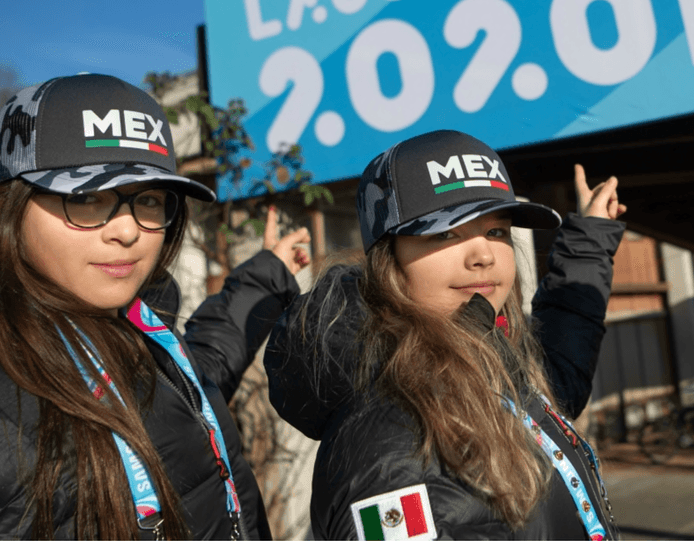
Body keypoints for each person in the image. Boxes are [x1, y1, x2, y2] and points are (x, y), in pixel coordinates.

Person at [0, 73, 311, 539]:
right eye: (85, 198)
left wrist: (267, 273)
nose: (128, 231)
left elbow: (188, 388)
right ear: (1, 210)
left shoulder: (138, 324)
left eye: (148, 199)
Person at [265, 129, 626, 540]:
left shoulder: (486, 351)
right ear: (389, 259)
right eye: (446, 233)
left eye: (496, 231)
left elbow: (554, 375)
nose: (484, 255)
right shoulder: (390, 440)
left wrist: (589, 242)